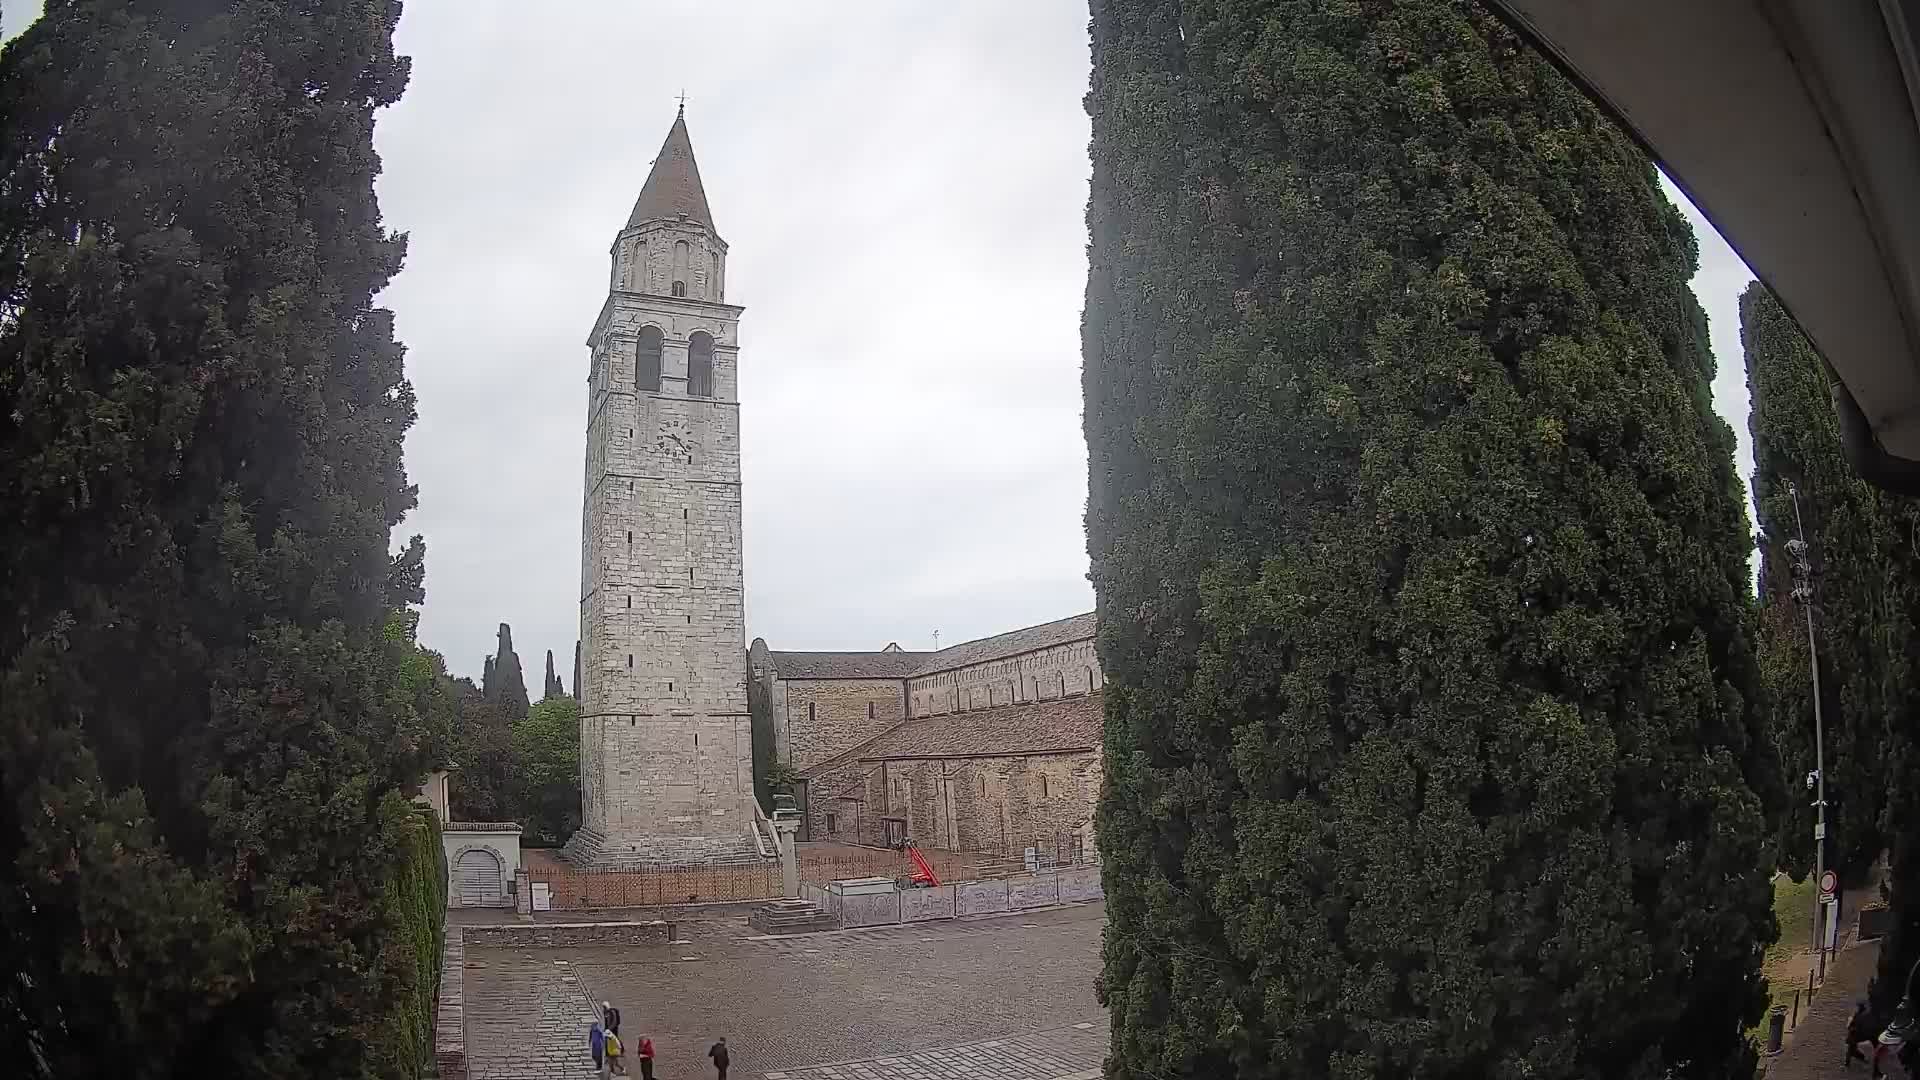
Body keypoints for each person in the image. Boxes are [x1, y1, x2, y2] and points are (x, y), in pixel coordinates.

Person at [1853, 1002, 1878, 1069]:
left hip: (1862, 1034)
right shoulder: (1870, 1015)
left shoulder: (1859, 1015)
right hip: (1869, 1034)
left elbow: (1853, 1026)